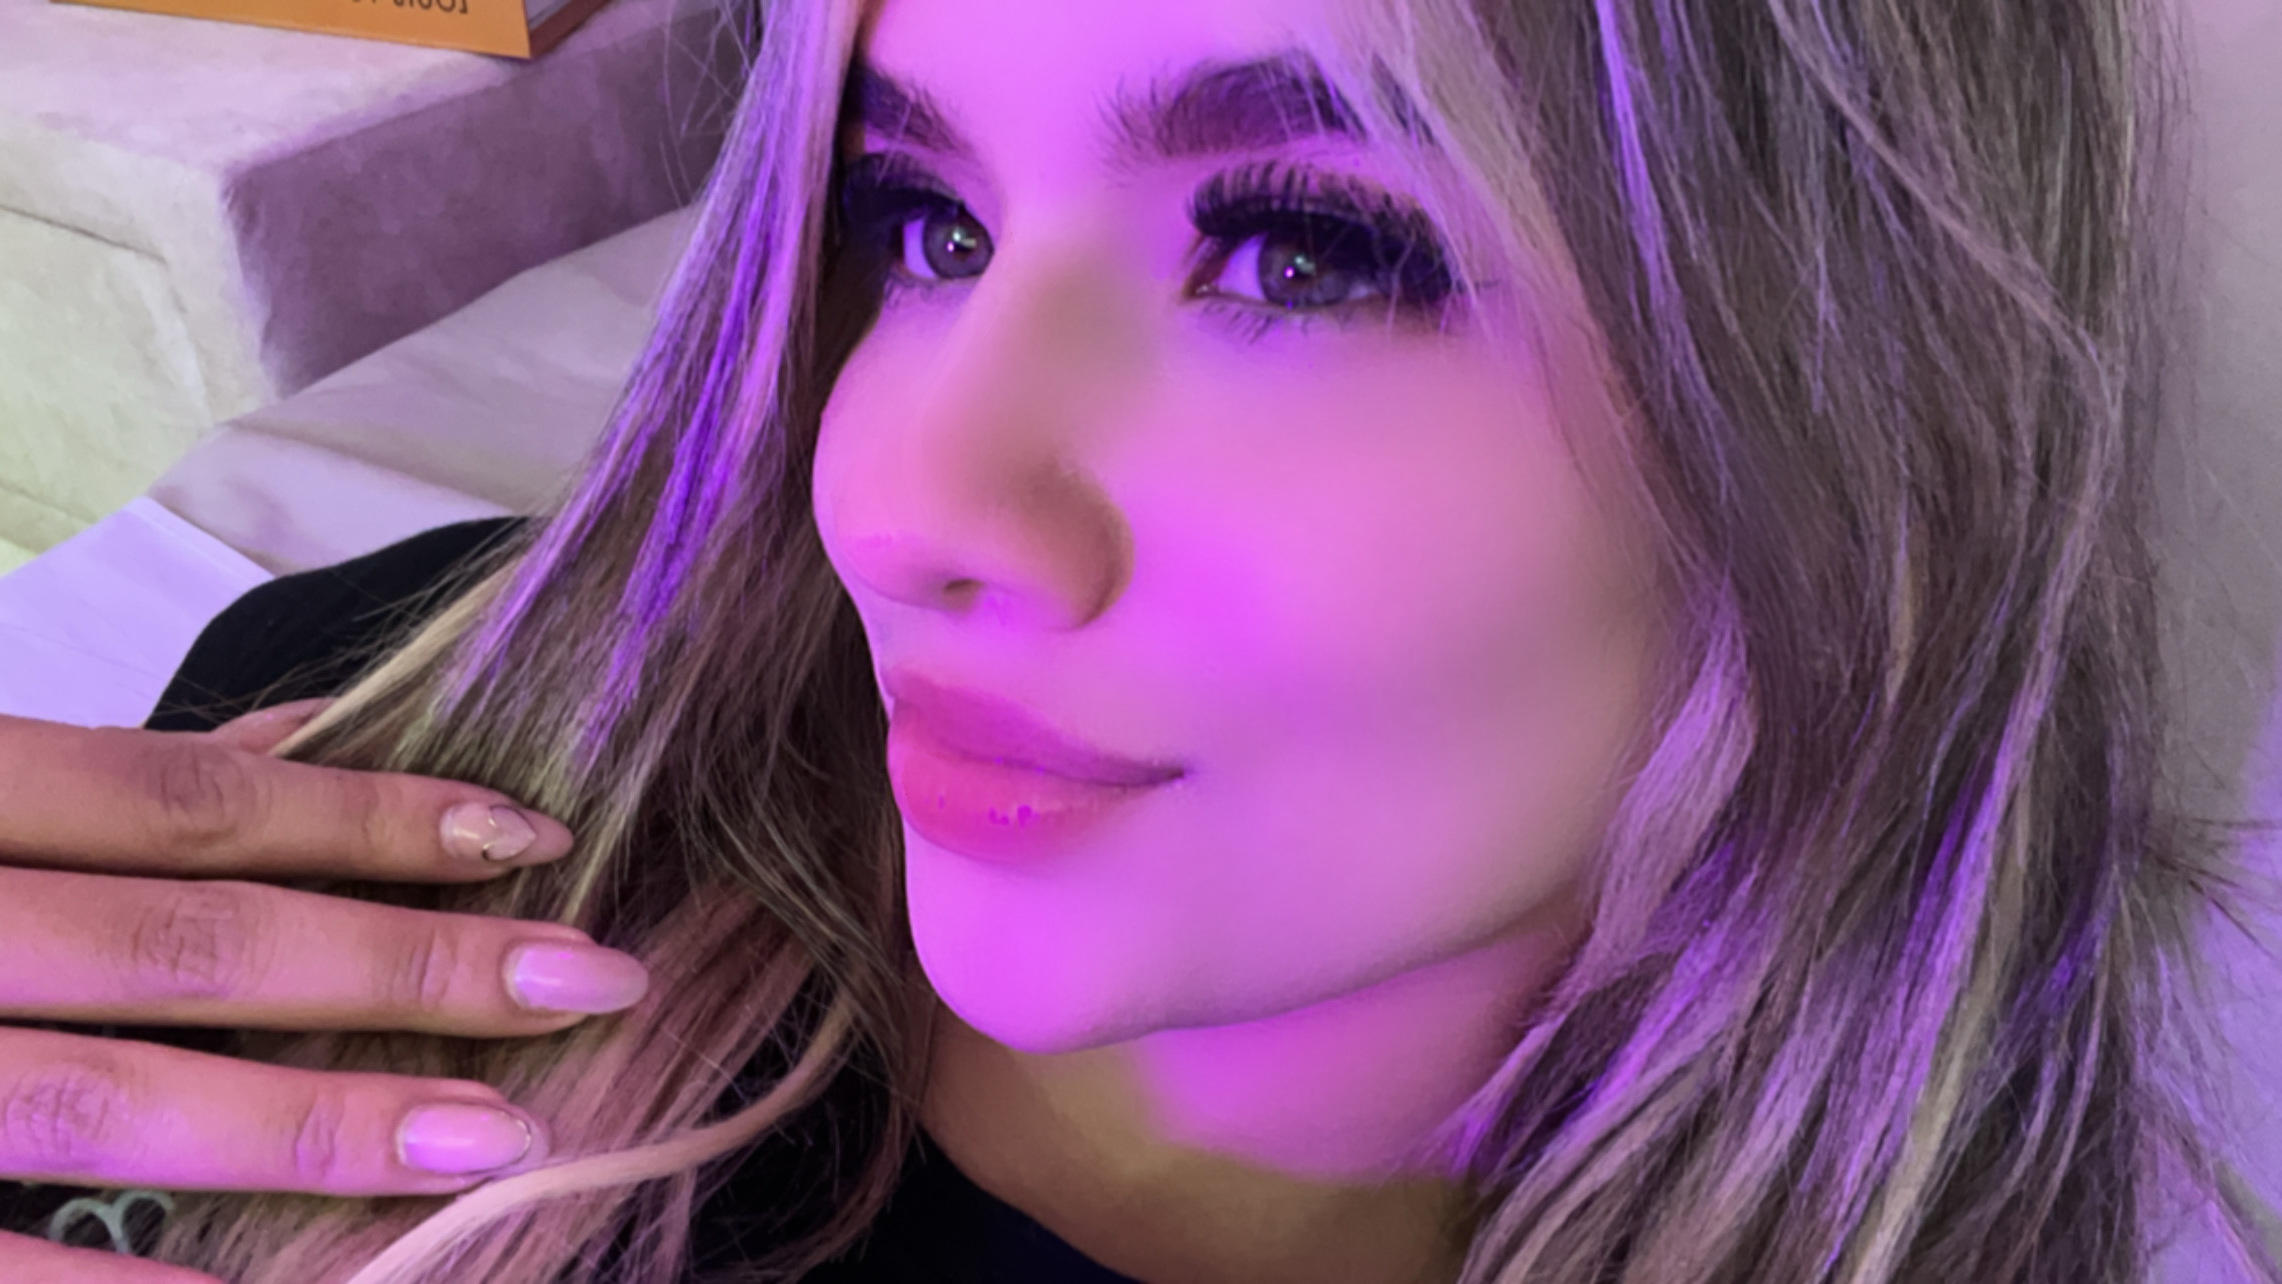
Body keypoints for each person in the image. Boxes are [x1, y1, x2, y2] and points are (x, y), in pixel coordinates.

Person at [4, 0, 2280, 1278]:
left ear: (1868, 421)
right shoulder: (399, 744)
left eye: (1301, 251)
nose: (896, 502)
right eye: (920, 219)